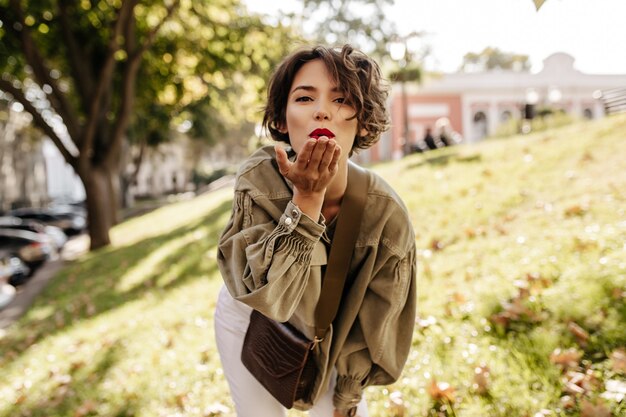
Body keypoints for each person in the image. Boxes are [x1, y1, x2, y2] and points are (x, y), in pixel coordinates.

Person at [214, 45, 416, 417]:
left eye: (341, 99)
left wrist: (348, 397)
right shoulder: (258, 180)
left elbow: (379, 320)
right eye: (305, 97)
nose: (322, 109)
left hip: (331, 344)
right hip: (251, 320)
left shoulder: (386, 216)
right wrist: (306, 201)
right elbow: (268, 296)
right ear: (280, 120)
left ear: (365, 123)